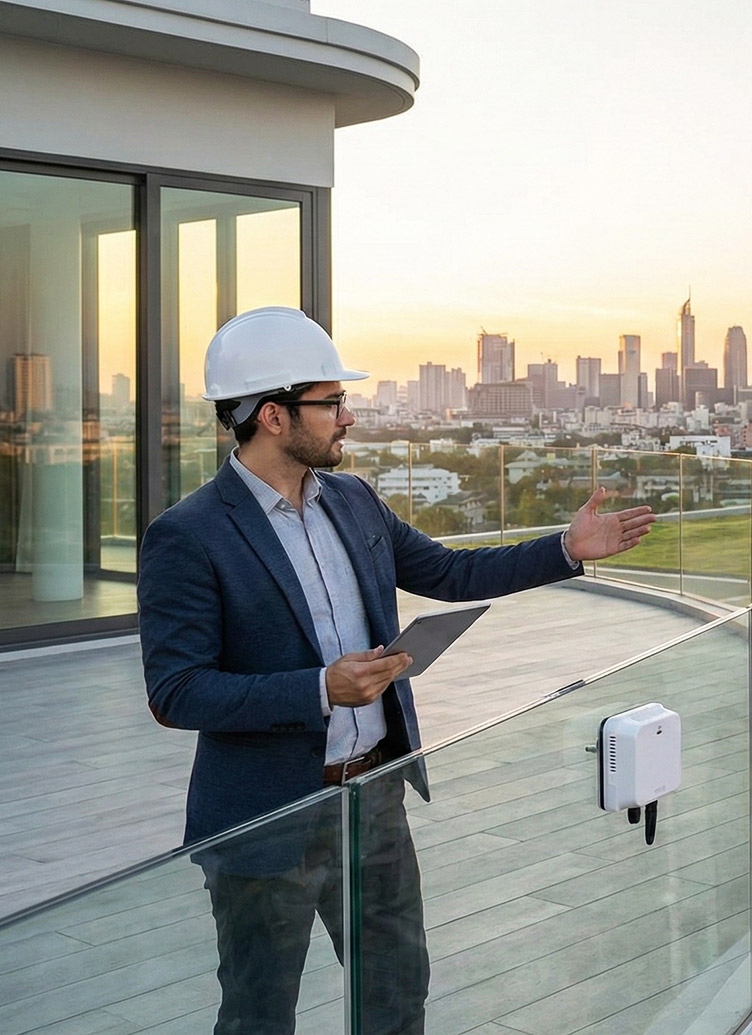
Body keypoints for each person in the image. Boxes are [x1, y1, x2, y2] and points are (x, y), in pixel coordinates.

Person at [139, 307, 655, 1034]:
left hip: (374, 799)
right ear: (272, 416)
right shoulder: (188, 535)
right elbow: (176, 690)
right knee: (259, 1014)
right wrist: (321, 689)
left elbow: (448, 570)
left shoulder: (354, 500)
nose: (348, 417)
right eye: (330, 402)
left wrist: (565, 548)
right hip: (267, 820)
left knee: (395, 994)